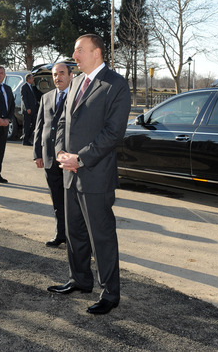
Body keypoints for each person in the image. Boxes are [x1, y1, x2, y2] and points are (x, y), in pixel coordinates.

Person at [47, 34, 131, 315]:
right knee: (75, 233)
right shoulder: (76, 83)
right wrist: (61, 153)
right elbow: (61, 122)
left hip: (95, 175)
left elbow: (113, 133)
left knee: (101, 236)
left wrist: (80, 158)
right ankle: (80, 279)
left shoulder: (115, 85)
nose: (75, 55)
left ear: (96, 52)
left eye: (79, 50)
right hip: (69, 172)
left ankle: (110, 292)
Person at [33, 62, 73, 247]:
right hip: (49, 157)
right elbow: (40, 127)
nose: (58, 77)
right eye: (55, 74)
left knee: (72, 202)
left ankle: (75, 239)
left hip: (68, 159)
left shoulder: (76, 97)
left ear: (70, 75)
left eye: (62, 73)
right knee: (57, 201)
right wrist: (37, 154)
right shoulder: (46, 97)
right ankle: (60, 234)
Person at [20, 73, 38, 146]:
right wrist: (27, 108)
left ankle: (26, 137)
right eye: (32, 78)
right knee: (27, 126)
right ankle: (25, 140)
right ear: (28, 79)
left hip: (33, 109)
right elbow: (24, 98)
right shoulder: (24, 87)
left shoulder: (32, 87)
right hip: (28, 110)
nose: (33, 79)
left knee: (34, 124)